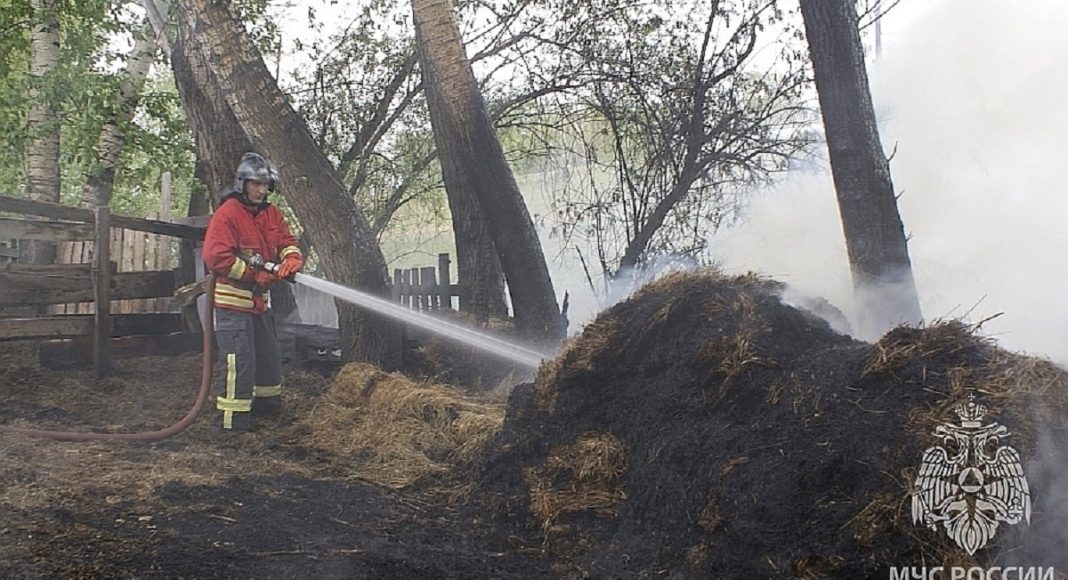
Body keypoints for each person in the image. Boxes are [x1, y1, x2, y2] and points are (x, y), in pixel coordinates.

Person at [202, 152, 304, 433]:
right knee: (240, 362)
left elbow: (287, 241)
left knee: (269, 357)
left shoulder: (272, 214)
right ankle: (231, 424)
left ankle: (267, 411)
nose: (261, 190)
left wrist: (292, 259)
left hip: (259, 303)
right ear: (243, 183)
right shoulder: (229, 213)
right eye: (256, 184)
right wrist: (252, 274)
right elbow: (216, 257)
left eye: (265, 185)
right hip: (233, 304)